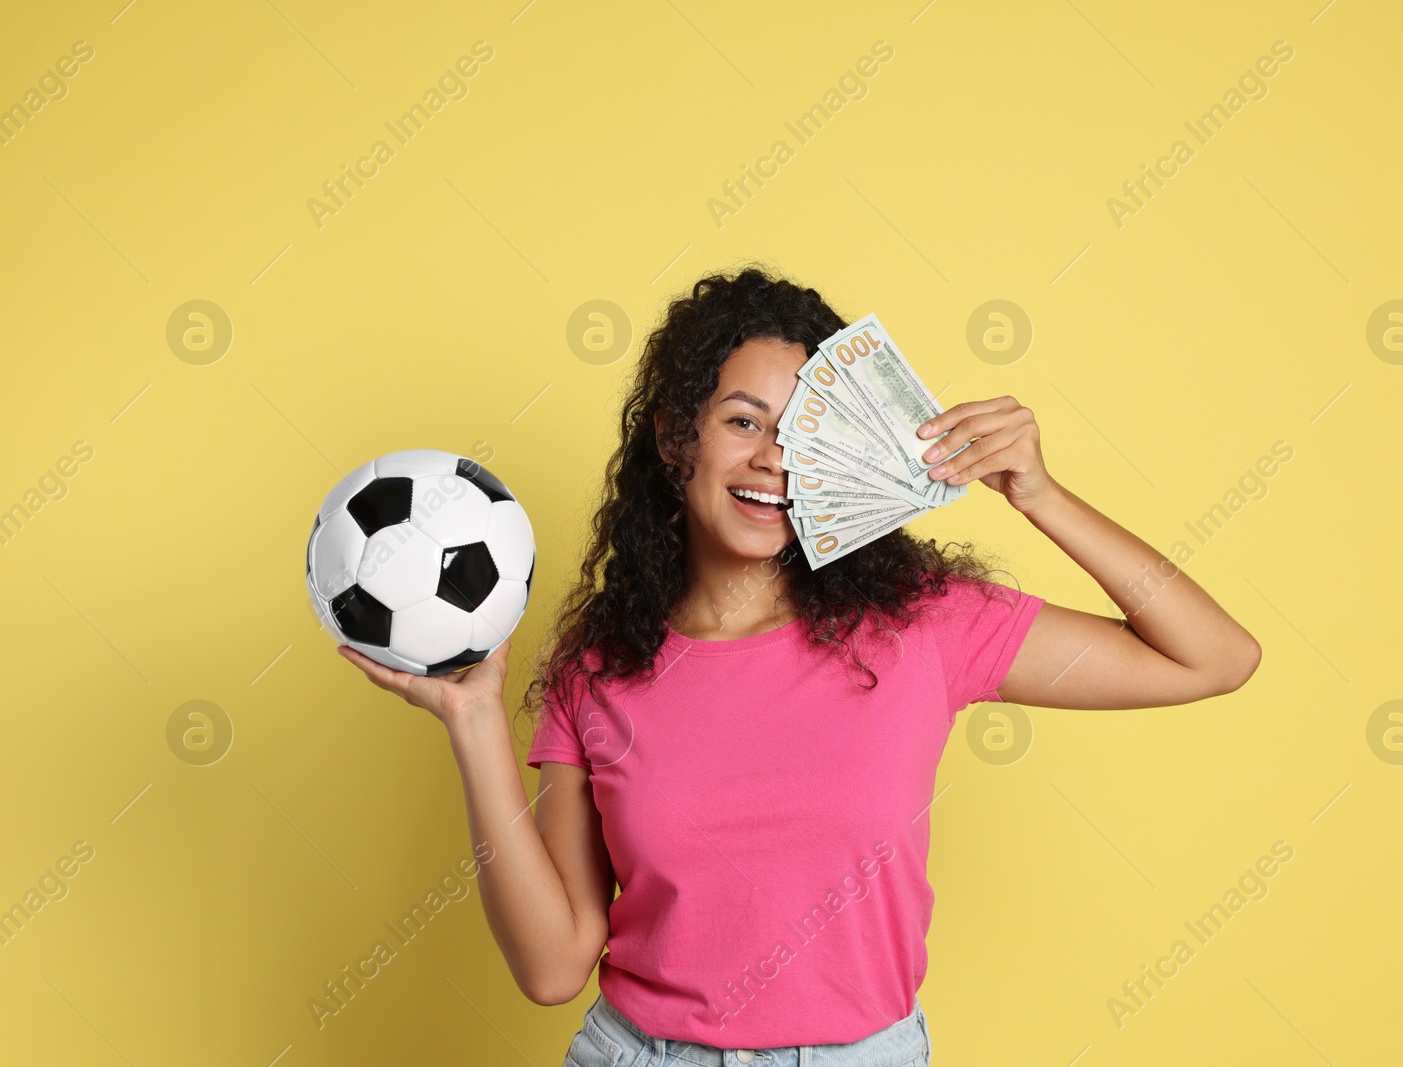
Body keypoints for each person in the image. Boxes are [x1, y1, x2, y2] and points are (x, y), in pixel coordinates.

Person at [338, 266, 1261, 1065]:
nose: (775, 460)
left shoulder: (924, 625)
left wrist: (1041, 496)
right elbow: (551, 967)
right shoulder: (602, 663)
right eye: (743, 420)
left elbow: (1215, 657)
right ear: (675, 438)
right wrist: (474, 723)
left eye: (807, 433)